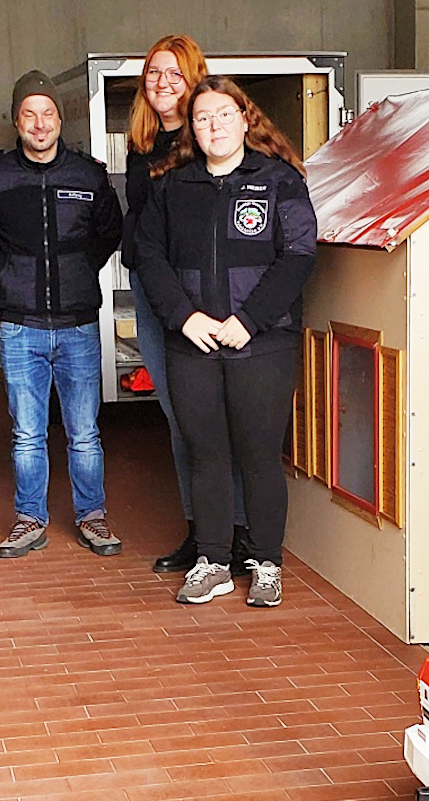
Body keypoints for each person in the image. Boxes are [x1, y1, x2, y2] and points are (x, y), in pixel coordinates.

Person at [135, 77, 317, 607]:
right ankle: (211, 561)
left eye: (222, 115)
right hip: (192, 343)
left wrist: (250, 319)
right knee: (206, 454)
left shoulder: (279, 180)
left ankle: (266, 563)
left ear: (244, 118)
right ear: (191, 128)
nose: (213, 126)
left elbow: (299, 256)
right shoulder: (174, 186)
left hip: (261, 343)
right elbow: (148, 257)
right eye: (202, 118)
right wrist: (183, 316)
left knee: (259, 456)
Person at [0, 71, 124, 559]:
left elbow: (108, 233)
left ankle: (92, 516)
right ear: (15, 121)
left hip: (78, 324)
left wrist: (75, 272)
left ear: (60, 119)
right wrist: (15, 276)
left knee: (84, 433)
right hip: (21, 327)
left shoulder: (87, 174)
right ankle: (30, 518)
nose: (40, 124)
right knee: (27, 434)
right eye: (29, 114)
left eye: (48, 114)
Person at [123, 36, 248, 576]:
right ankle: (203, 532)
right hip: (160, 301)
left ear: (195, 77)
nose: (162, 82)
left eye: (174, 73)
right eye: (153, 73)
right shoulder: (142, 148)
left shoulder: (208, 143)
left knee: (227, 418)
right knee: (181, 419)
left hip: (210, 302)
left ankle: (241, 532)